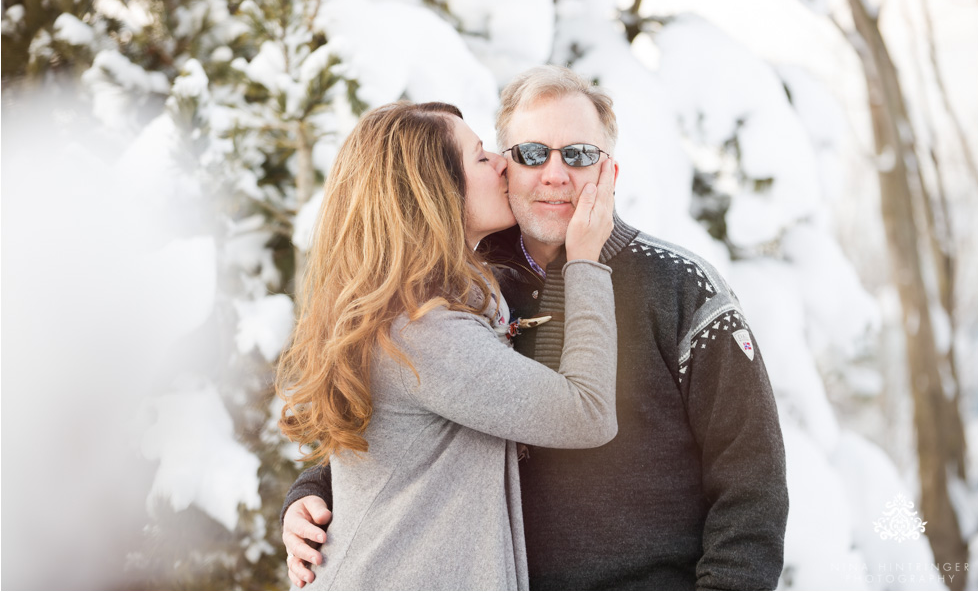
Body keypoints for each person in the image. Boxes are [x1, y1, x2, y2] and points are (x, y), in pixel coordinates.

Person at [282, 67, 789, 590]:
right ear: (505, 169)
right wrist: (313, 491)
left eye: (579, 154)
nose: (554, 174)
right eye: (530, 153)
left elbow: (753, 482)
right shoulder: (454, 296)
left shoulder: (682, 286)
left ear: (610, 173)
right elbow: (395, 420)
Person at [276, 100, 619, 590]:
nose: (502, 162)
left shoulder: (408, 313)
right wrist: (585, 260)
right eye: (481, 157)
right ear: (437, 193)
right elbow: (587, 413)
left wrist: (308, 492)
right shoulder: (425, 332)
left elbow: (393, 451)